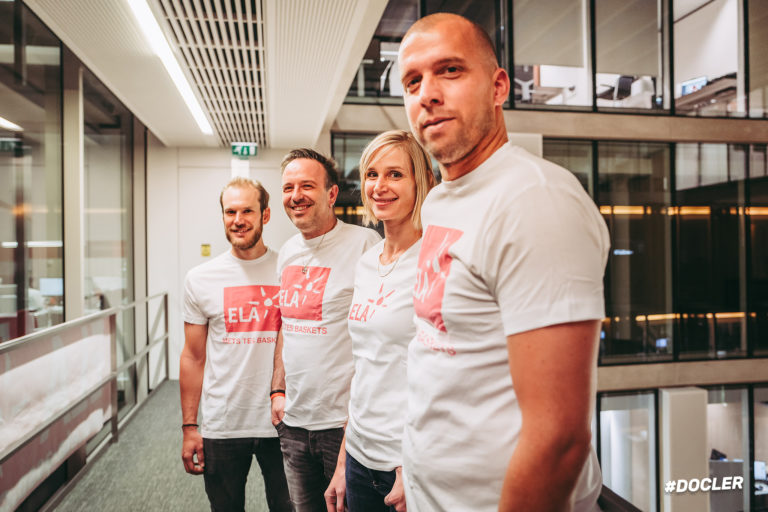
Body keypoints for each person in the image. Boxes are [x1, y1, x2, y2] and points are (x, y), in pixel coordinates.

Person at [397, 13, 610, 512]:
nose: (427, 94)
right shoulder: (441, 200)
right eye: (412, 81)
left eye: (450, 70)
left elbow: (559, 441)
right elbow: (444, 353)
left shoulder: (536, 201)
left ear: (498, 88)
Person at [324, 130, 436, 512]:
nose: (379, 186)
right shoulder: (367, 262)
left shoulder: (434, 262)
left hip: (406, 464)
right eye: (371, 174)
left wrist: (413, 461)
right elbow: (366, 366)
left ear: (422, 182)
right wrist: (344, 459)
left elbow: (446, 375)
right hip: (359, 455)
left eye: (395, 174)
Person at [273, 149, 381, 512]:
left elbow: (378, 339)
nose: (296, 195)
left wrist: (354, 424)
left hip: (343, 425)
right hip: (294, 423)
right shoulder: (287, 251)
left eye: (307, 185)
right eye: (288, 187)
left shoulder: (365, 245)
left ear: (331, 193)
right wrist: (277, 390)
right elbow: (286, 325)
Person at [180, 177, 291, 512]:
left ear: (265, 215)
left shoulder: (288, 271)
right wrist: (190, 427)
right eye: (230, 212)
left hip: (283, 420)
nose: (238, 220)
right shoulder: (200, 278)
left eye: (247, 211)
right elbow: (193, 357)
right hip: (223, 422)